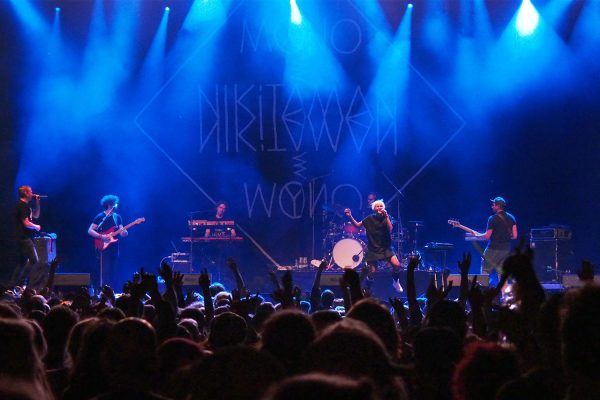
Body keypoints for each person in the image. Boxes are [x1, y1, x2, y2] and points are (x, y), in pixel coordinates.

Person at [345, 199, 403, 293]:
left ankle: (396, 282)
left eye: (381, 206)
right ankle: (367, 289)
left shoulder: (386, 218)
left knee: (397, 265)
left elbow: (390, 229)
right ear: (374, 208)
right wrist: (350, 216)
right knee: (373, 272)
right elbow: (357, 225)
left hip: (385, 247)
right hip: (373, 248)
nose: (380, 207)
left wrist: (386, 216)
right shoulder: (369, 218)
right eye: (377, 206)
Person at [471, 197, 517, 286]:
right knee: (502, 274)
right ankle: (504, 297)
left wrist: (476, 235)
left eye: (493, 204)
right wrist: (504, 236)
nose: (492, 206)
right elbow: (515, 236)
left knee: (485, 271)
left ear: (498, 206)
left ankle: (483, 293)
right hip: (505, 250)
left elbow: (487, 236)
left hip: (492, 249)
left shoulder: (492, 218)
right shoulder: (512, 218)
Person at [88, 195, 127, 288]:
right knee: (104, 270)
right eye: (115, 203)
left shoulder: (117, 217)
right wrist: (101, 236)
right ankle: (103, 292)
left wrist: (124, 232)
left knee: (113, 269)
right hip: (103, 246)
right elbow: (90, 230)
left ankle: (111, 291)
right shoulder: (100, 216)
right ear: (110, 204)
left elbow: (122, 231)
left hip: (114, 246)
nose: (117, 205)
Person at [11, 185, 42, 286]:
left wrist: (37, 202)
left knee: (22, 263)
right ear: (25, 193)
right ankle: (20, 283)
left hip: (24, 237)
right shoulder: (22, 205)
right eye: (30, 191)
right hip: (24, 237)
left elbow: (36, 215)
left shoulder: (26, 206)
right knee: (34, 260)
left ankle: (11, 285)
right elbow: (26, 223)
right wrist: (36, 227)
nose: (32, 193)